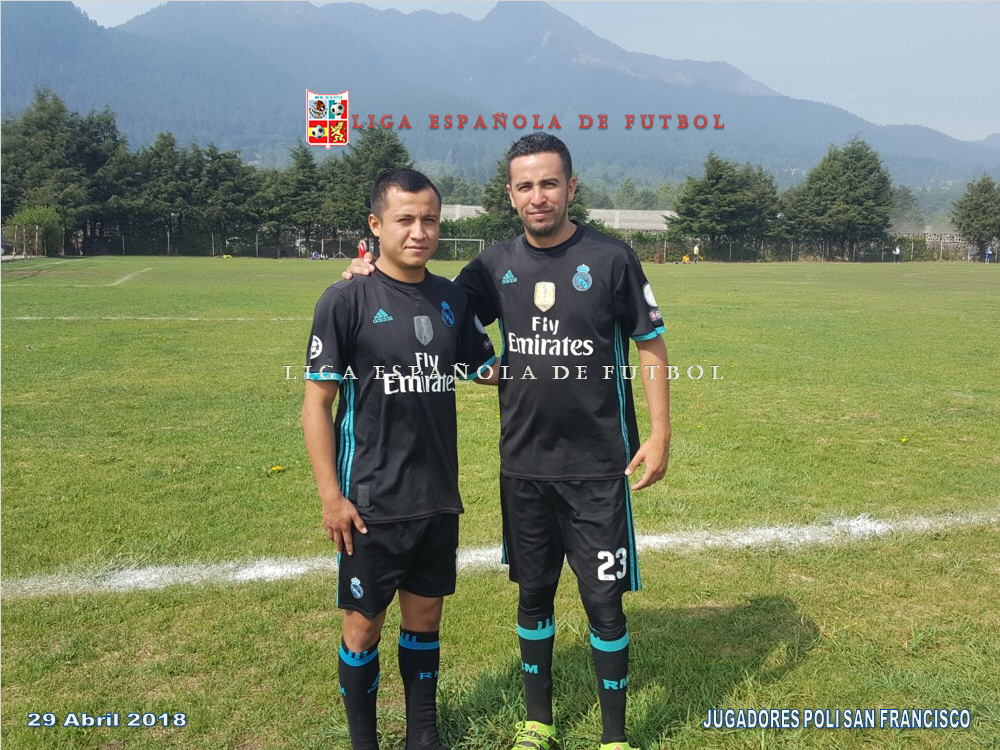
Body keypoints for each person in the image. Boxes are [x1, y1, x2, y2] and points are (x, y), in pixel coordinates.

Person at [345, 134, 670, 750]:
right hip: (522, 467)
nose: (537, 196)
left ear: (571, 187)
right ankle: (538, 722)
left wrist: (659, 433)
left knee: (605, 604)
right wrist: (365, 273)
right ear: (511, 194)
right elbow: (425, 296)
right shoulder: (492, 266)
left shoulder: (611, 258)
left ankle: (614, 739)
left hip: (600, 466)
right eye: (525, 186)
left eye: (549, 183)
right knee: (534, 595)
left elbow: (649, 342)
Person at [303, 169, 496, 750]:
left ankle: (422, 736)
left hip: (436, 495)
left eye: (429, 219)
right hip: (371, 499)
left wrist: (555, 357)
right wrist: (331, 497)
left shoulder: (451, 299)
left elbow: (485, 369)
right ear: (376, 225)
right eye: (405, 219)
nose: (419, 231)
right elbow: (316, 405)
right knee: (363, 627)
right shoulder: (345, 299)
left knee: (426, 618)